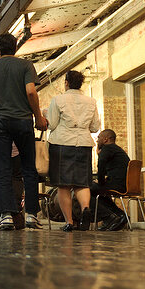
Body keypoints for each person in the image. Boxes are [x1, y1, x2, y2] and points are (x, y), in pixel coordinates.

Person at [0, 32, 48, 231]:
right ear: (15, 48)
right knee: (28, 169)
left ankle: (7, 215)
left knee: (3, 169)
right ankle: (31, 215)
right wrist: (37, 117)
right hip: (22, 120)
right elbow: (31, 91)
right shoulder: (26, 66)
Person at [47, 70, 101, 231]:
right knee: (81, 183)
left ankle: (69, 222)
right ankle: (85, 208)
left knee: (63, 185)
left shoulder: (58, 100)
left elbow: (52, 124)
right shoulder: (91, 101)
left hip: (62, 144)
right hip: (83, 144)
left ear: (66, 82)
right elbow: (95, 127)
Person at [92, 129, 129, 231]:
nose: (97, 140)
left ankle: (112, 217)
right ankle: (117, 216)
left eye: (98, 138)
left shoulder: (107, 149)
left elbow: (101, 168)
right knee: (99, 192)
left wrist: (99, 183)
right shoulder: (116, 149)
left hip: (116, 185)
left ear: (105, 139)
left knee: (87, 188)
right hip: (122, 184)